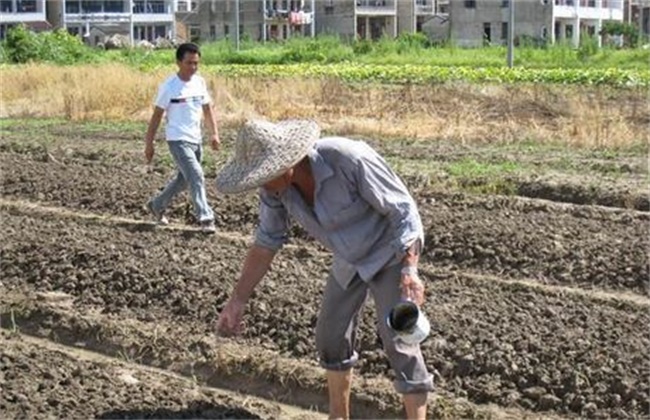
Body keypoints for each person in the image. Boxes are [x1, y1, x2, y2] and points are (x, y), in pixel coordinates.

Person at [215, 119, 433, 419]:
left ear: (288, 163)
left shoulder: (349, 159)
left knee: (399, 340)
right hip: (349, 258)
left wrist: (410, 269)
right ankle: (338, 416)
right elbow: (266, 242)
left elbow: (404, 211)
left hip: (390, 252)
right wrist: (237, 299)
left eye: (265, 175)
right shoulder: (276, 191)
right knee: (330, 336)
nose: (261, 184)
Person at [144, 42, 220, 234]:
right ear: (179, 62)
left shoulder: (199, 82)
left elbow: (207, 109)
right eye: (189, 63)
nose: (193, 68)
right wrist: (149, 143)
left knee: (184, 180)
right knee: (196, 175)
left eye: (196, 63)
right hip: (177, 139)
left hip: (196, 138)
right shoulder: (169, 87)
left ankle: (157, 204)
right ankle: (205, 217)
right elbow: (156, 116)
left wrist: (214, 134)